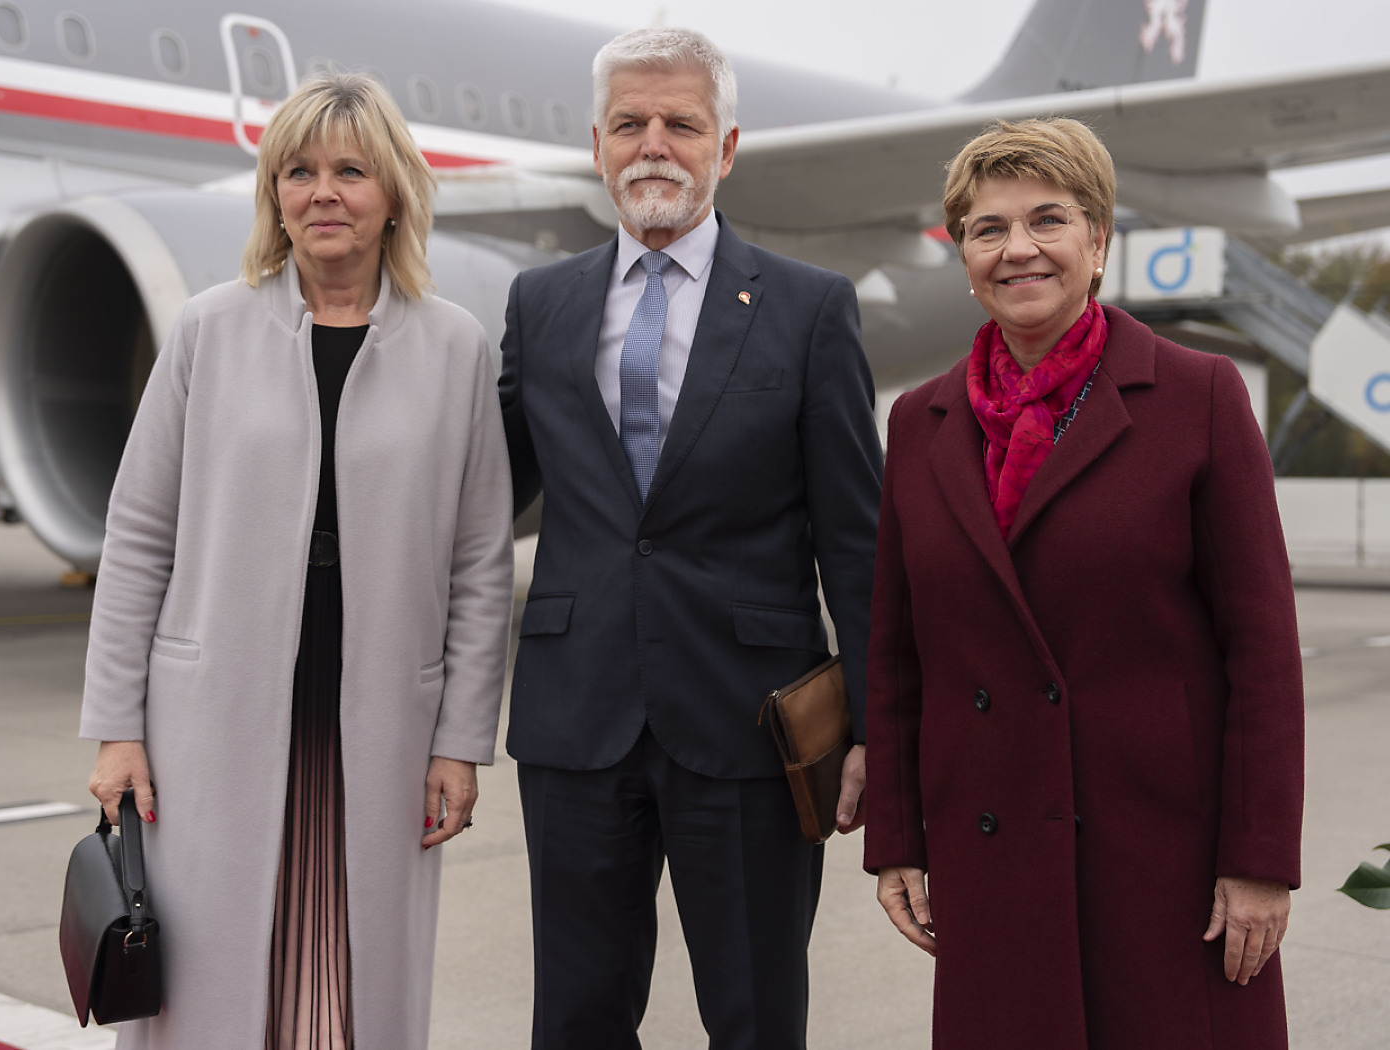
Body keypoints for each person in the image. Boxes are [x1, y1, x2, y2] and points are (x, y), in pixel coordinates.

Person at [80, 72, 513, 1050]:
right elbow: (140, 532)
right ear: (274, 193)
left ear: (395, 192)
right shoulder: (207, 329)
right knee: (209, 981)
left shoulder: (454, 349)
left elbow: (480, 562)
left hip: (380, 716)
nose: (324, 193)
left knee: (350, 971)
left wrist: (459, 740)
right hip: (212, 717)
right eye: (299, 171)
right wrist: (115, 725)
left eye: (350, 171)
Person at [864, 116, 1305, 1049]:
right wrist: (897, 838)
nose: (1017, 248)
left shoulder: (1199, 397)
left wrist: (1260, 860)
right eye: (987, 230)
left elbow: (1263, 651)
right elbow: (897, 655)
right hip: (993, 853)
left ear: (1098, 242)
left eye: (1048, 220)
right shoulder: (920, 422)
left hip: (1164, 857)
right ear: (964, 256)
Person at [499, 27, 883, 1050]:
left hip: (751, 724)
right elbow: (473, 495)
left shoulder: (808, 310)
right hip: (576, 724)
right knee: (575, 1019)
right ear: (596, 145)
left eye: (681, 123)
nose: (653, 145)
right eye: (629, 124)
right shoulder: (540, 306)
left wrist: (879, 730)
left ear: (726, 147)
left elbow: (857, 542)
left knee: (755, 1017)